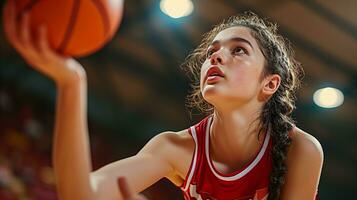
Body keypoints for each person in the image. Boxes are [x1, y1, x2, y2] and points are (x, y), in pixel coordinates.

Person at [3, 0, 324, 199]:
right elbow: (80, 194)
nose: (216, 58)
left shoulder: (302, 150)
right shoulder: (175, 149)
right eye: (212, 52)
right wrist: (72, 83)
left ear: (269, 83)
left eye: (238, 50)